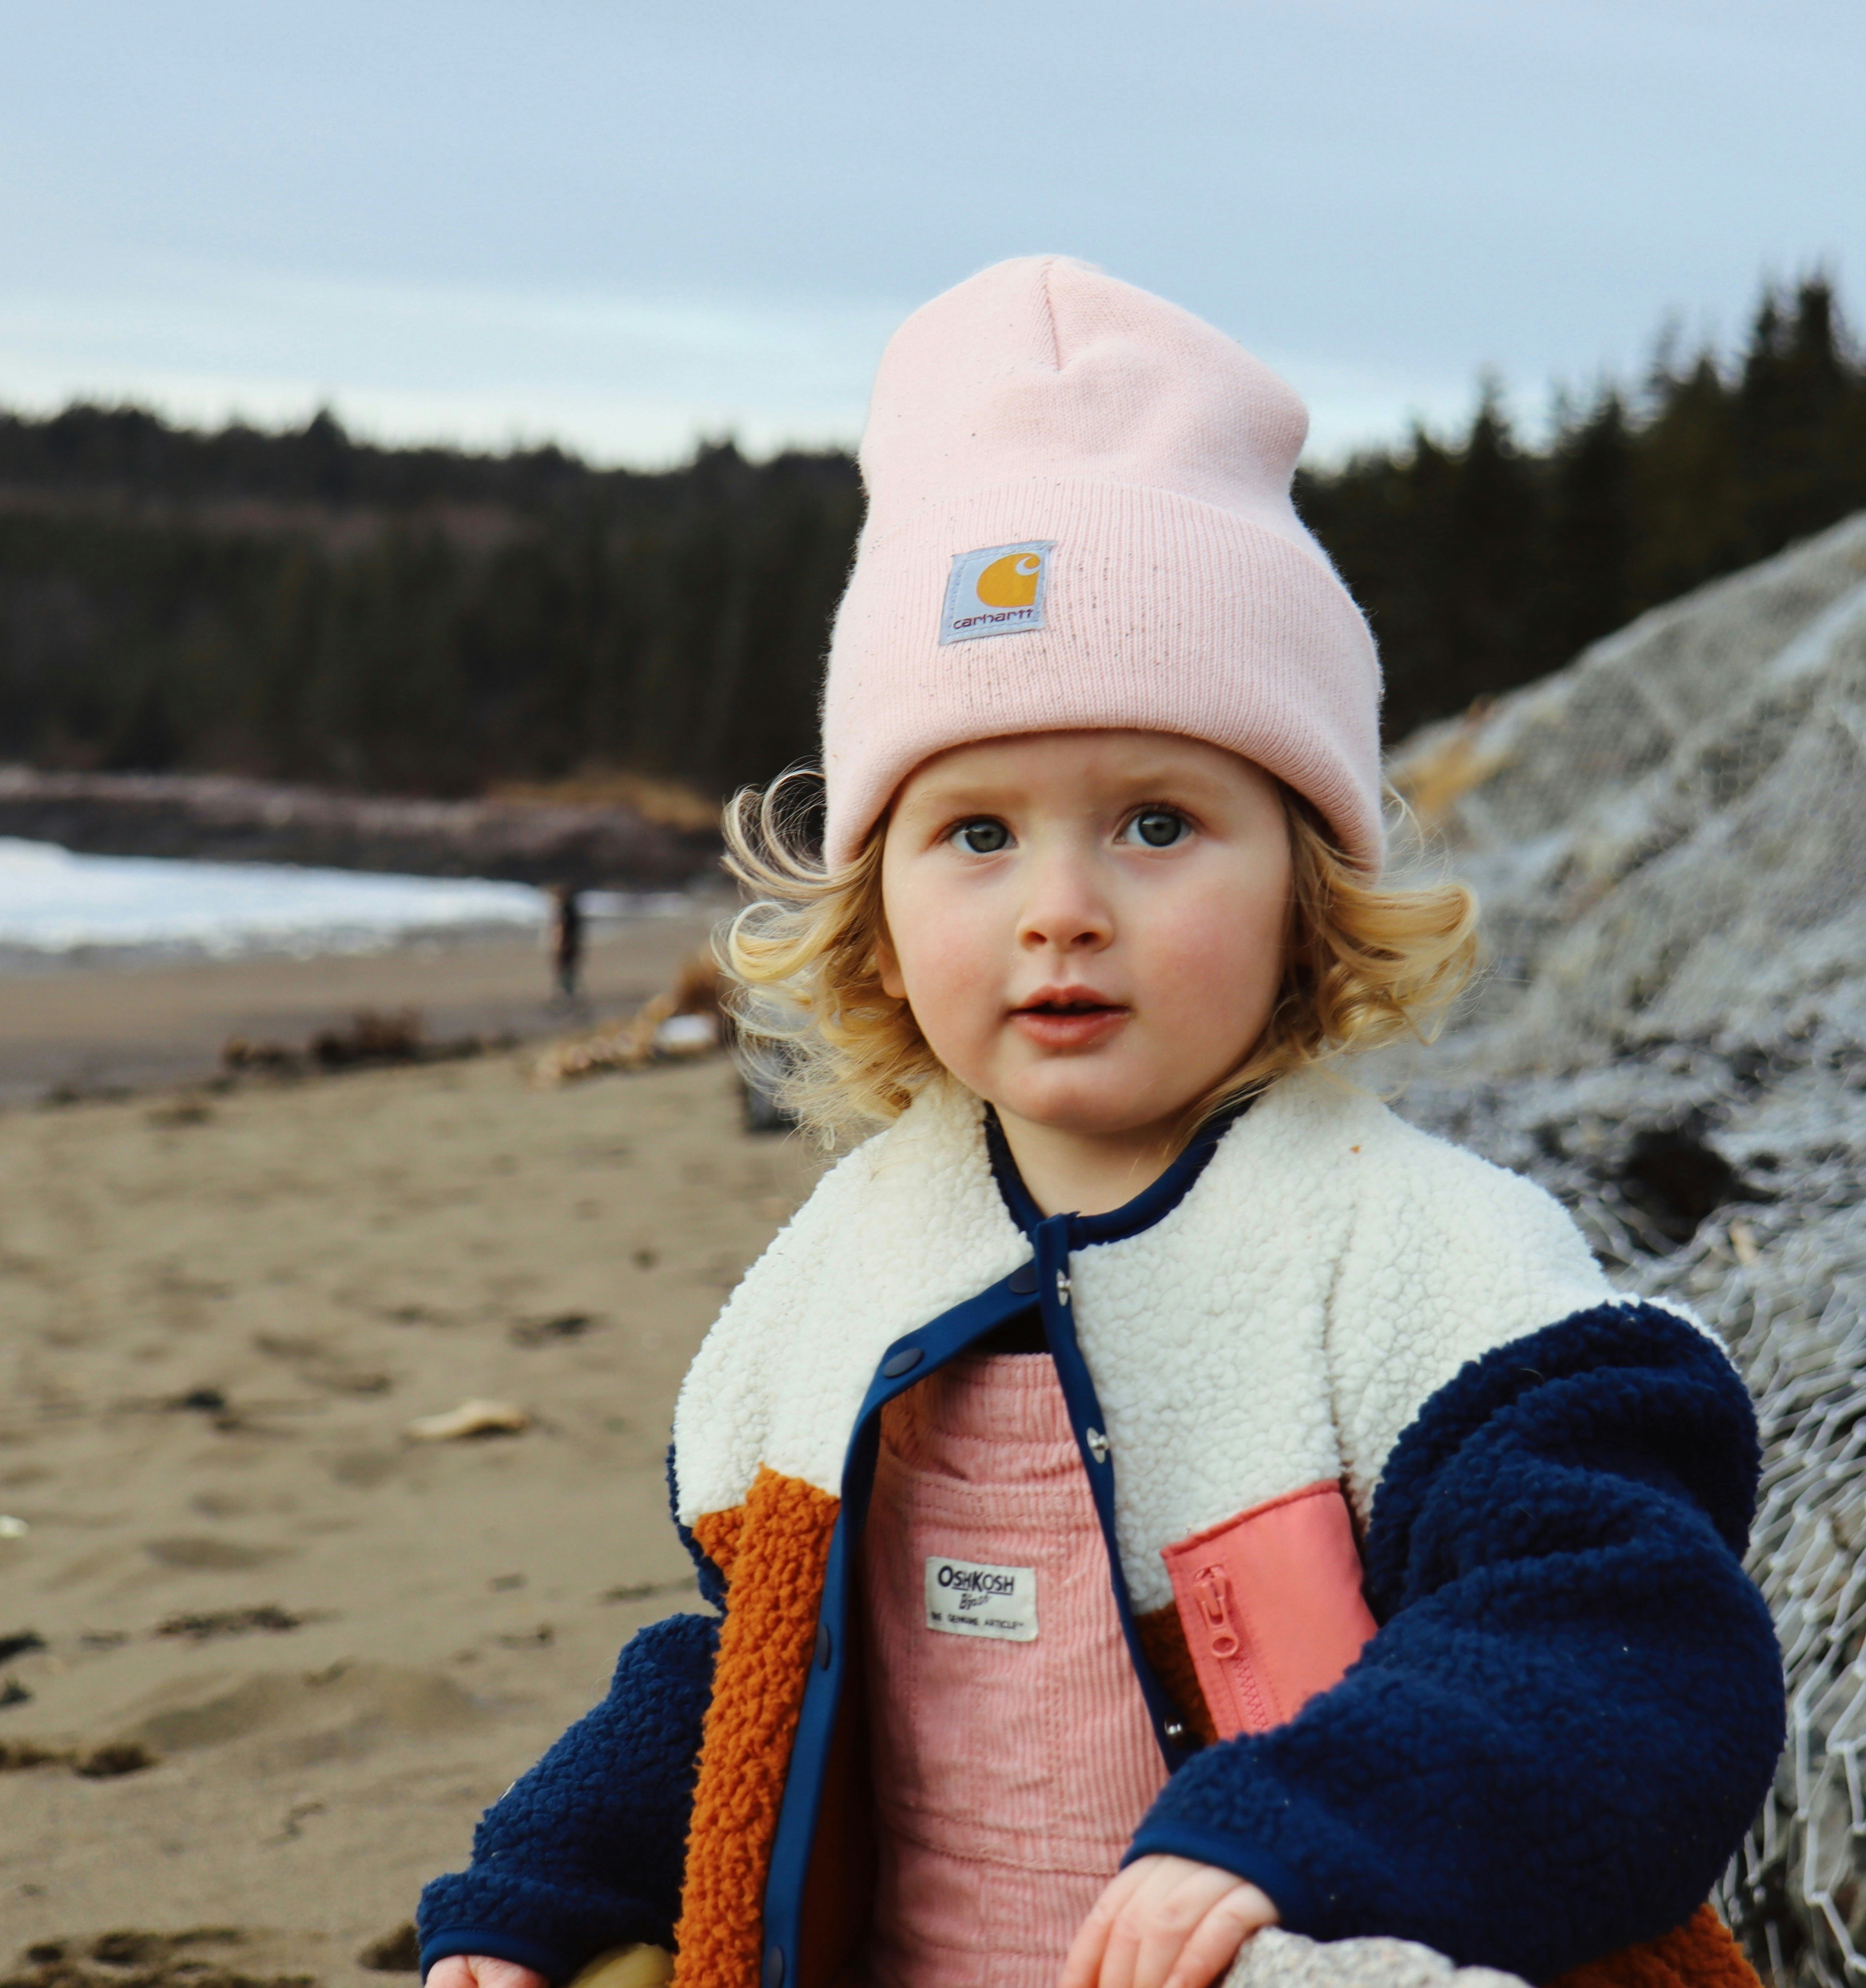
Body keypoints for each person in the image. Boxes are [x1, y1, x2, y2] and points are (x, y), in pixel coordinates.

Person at [414, 259, 1782, 1988]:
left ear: (1309, 877)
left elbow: (1626, 1646)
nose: (1061, 906)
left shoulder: (1420, 1262)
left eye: (1154, 823)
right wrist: (542, 1893)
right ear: (875, 908)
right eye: (976, 834)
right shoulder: (850, 1263)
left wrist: (1314, 1820)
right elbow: (759, 1664)